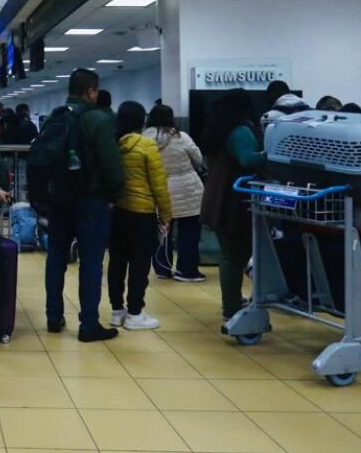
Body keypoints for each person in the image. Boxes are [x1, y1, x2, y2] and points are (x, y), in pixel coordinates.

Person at [45, 68, 124, 342]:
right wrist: (113, 195)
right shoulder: (98, 120)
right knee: (90, 262)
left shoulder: (55, 118)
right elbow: (112, 165)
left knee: (56, 257)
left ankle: (53, 317)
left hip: (58, 200)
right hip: (91, 200)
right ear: (91, 91)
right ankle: (89, 323)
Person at [199, 89, 268, 321]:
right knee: (236, 255)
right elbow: (248, 158)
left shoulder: (218, 128)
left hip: (218, 196)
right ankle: (231, 308)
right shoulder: (240, 131)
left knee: (230, 255)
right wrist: (273, 156)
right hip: (234, 200)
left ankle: (231, 303)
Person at [109, 101, 173, 331]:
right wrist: (166, 214)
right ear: (141, 120)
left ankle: (117, 312)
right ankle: (135, 313)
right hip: (142, 213)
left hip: (117, 211)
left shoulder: (113, 144)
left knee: (116, 262)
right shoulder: (147, 146)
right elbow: (159, 185)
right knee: (139, 264)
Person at [144, 104, 206, 282]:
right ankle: (186, 271)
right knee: (189, 231)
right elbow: (198, 158)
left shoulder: (144, 139)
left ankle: (162, 269)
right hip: (188, 190)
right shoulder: (181, 137)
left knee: (162, 231)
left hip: (158, 189)